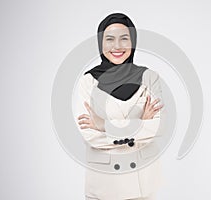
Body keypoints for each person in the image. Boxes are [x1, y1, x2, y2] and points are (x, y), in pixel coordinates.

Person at [76, 13, 164, 200]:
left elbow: (158, 127)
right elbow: (89, 136)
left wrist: (104, 125)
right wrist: (139, 126)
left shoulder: (149, 78)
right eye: (110, 39)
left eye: (124, 39)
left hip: (142, 183)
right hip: (104, 184)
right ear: (101, 43)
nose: (117, 46)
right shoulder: (88, 82)